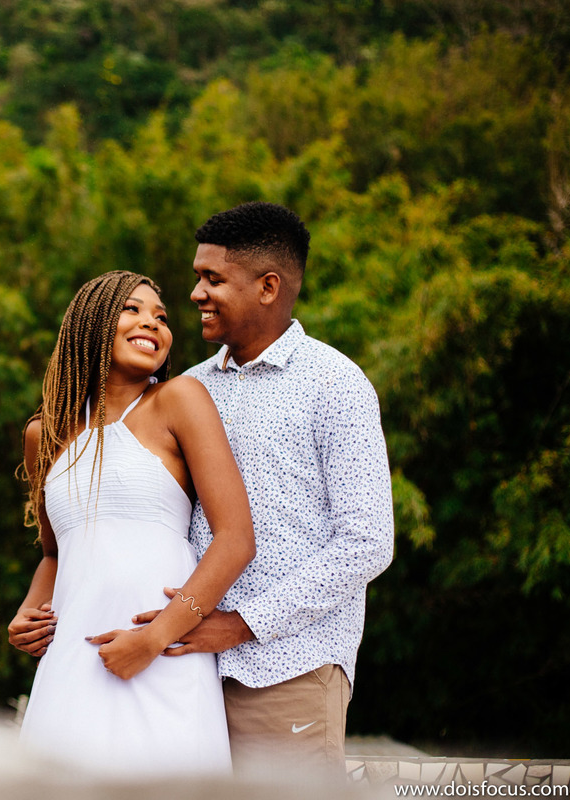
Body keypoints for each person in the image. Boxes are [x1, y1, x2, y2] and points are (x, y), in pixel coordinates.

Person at [121, 201, 396, 779]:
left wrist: (243, 622)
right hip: (182, 671)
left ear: (268, 286)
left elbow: (368, 542)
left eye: (213, 279)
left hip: (287, 670)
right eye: (198, 277)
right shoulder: (187, 388)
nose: (195, 293)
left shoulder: (336, 385)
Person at [8, 270, 255, 777]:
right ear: (91, 323)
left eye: (161, 317)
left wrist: (156, 638)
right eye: (133, 309)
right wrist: (30, 611)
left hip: (162, 657)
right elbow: (56, 554)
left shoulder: (179, 400)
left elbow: (235, 541)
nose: (152, 324)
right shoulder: (45, 434)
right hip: (72, 664)